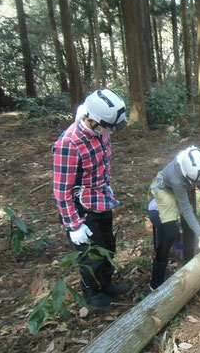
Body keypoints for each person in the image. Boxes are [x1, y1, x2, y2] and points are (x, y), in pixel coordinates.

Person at [53, 89, 130, 309]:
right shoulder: (69, 144)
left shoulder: (101, 129)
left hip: (101, 197)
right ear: (92, 121)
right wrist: (73, 224)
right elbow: (61, 191)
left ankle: (106, 284)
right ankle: (92, 293)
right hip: (81, 207)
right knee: (91, 254)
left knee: (108, 245)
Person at [148, 146, 200, 290]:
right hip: (164, 189)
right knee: (170, 232)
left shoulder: (197, 159)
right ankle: (156, 279)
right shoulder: (177, 178)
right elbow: (186, 209)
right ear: (186, 175)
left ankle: (189, 264)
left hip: (183, 187)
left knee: (189, 229)